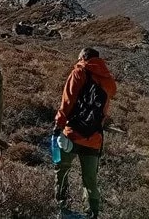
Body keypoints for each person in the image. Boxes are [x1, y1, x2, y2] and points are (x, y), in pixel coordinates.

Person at [54, 47, 117, 219]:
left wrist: (58, 124)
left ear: (83, 57)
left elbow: (68, 100)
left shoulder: (79, 72)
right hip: (94, 137)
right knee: (90, 180)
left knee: (63, 170)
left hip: (73, 132)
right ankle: (92, 214)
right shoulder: (108, 81)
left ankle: (61, 207)